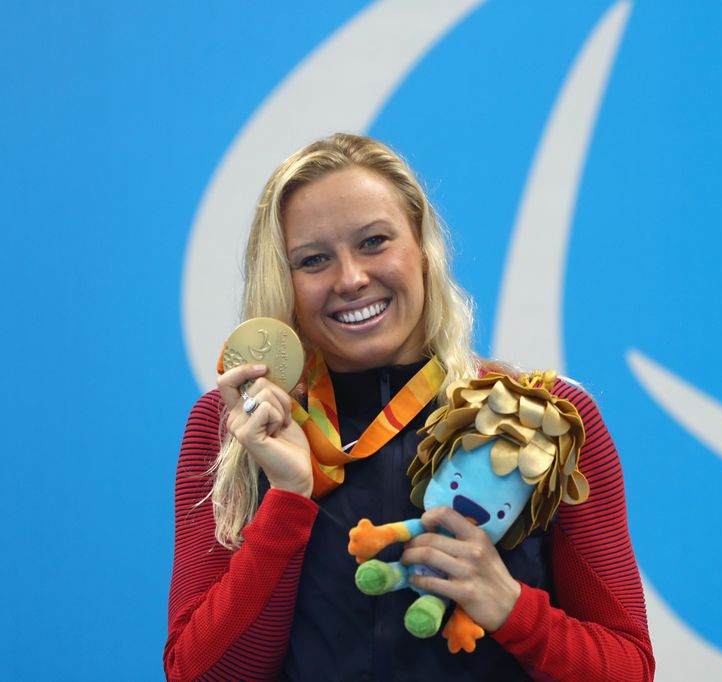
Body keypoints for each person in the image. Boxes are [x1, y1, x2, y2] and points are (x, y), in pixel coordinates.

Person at [164, 133, 655, 681]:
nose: (350, 278)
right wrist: (287, 499)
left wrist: (513, 609)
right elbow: (200, 675)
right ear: (285, 281)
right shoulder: (237, 428)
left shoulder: (544, 417)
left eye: (374, 241)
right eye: (314, 259)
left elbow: (628, 669)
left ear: (422, 247)